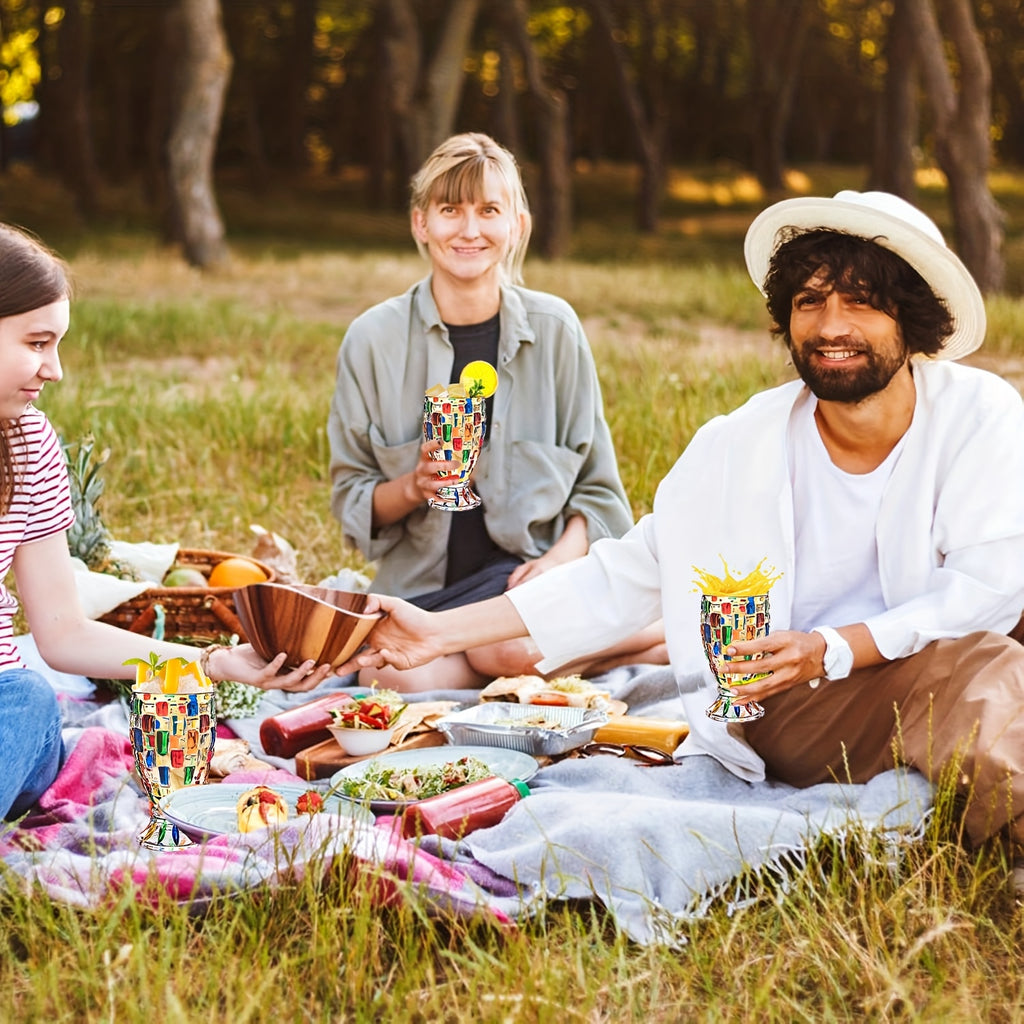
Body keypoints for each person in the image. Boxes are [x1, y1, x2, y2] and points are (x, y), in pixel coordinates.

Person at [341, 190, 1024, 885]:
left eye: (861, 301)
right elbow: (621, 577)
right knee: (976, 671)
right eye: (810, 302)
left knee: (995, 643)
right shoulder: (735, 447)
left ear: (912, 318)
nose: (830, 325)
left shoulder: (979, 415)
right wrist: (437, 632)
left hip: (911, 656)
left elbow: (990, 589)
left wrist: (834, 648)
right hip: (794, 701)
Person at [0, 223, 333, 821]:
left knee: (26, 701)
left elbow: (64, 633)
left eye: (57, 345)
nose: (55, 370)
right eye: (36, 343)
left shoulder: (30, 446)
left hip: (7, 717)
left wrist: (206, 663)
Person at [327, 132, 666, 691]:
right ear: (421, 224)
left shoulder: (556, 331)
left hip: (532, 585)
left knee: (507, 643)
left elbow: (599, 492)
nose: (469, 230)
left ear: (518, 226)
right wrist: (414, 484)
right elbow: (352, 502)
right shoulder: (372, 340)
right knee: (396, 682)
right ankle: (650, 642)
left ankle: (586, 643)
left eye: (489, 210)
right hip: (426, 598)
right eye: (450, 210)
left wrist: (558, 563)